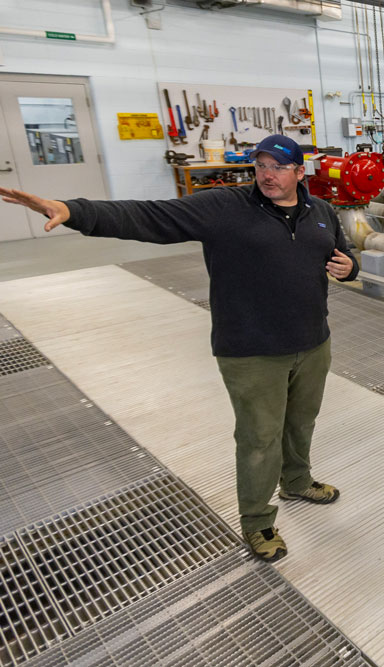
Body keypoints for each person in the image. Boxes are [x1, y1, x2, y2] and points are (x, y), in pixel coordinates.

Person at [0, 135, 358, 563]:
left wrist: (350, 266)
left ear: (300, 173)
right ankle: (258, 521)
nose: (266, 174)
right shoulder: (224, 208)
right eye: (260, 165)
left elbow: (342, 252)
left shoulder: (321, 211)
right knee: (259, 439)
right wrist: (75, 211)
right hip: (251, 348)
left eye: (278, 167)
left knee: (302, 423)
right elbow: (150, 216)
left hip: (313, 341)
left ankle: (297, 481)